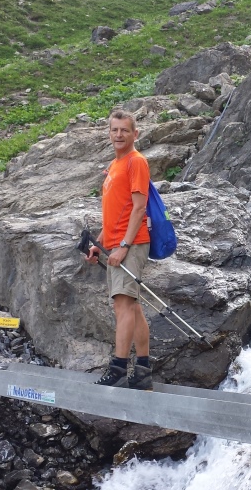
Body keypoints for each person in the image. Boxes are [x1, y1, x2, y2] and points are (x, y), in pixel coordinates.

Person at [85, 109, 153, 390]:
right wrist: (99, 244)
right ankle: (143, 370)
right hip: (116, 243)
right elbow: (114, 214)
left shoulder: (136, 162)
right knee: (131, 306)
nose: (119, 135)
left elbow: (139, 208)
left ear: (135, 134)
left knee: (122, 305)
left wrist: (124, 246)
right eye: (114, 130)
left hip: (132, 243)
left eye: (124, 130)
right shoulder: (115, 165)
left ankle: (118, 368)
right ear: (109, 133)